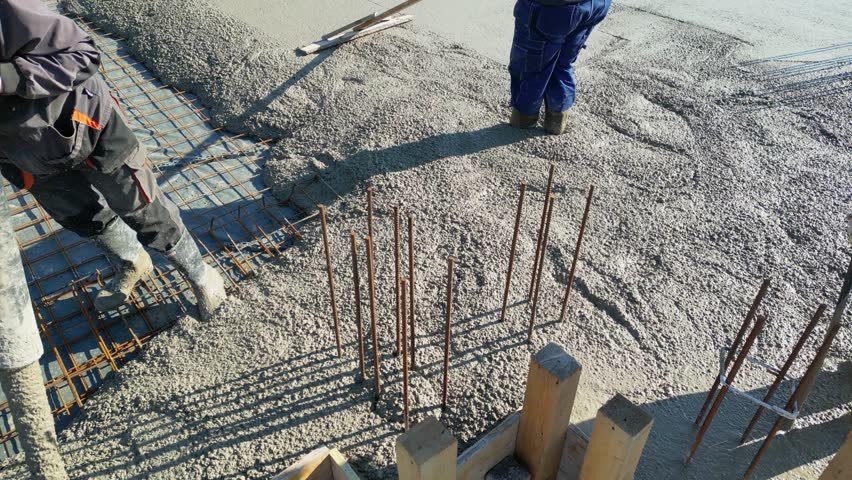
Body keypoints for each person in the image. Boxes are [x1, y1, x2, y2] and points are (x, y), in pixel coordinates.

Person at [0, 0, 226, 319]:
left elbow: (82, 55)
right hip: (22, 154)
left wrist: (8, 78)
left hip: (85, 126)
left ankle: (200, 276)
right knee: (82, 216)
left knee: (145, 211)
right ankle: (133, 261)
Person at [508, 0, 611, 134]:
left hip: (553, 8)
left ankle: (524, 119)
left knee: (531, 65)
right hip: (594, 4)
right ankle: (557, 118)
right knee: (563, 61)